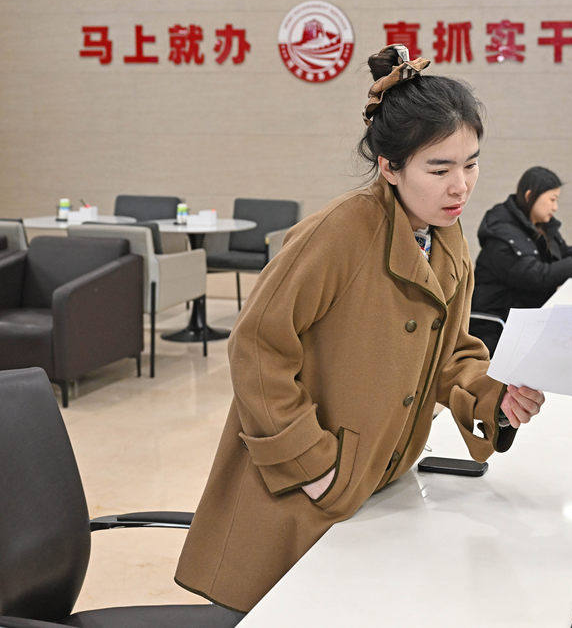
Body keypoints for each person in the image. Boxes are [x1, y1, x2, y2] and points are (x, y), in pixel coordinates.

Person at [174, 45, 546, 613]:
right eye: (439, 169)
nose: (461, 186)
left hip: (378, 488)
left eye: (471, 164)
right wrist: (313, 466)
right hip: (297, 498)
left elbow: (450, 353)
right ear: (390, 167)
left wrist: (494, 398)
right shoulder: (340, 232)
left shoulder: (446, 235)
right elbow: (256, 345)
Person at [470, 166, 572, 354]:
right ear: (530, 195)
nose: (555, 207)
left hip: (530, 312)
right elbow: (536, 275)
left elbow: (562, 253)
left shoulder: (538, 223)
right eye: (552, 199)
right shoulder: (502, 233)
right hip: (499, 323)